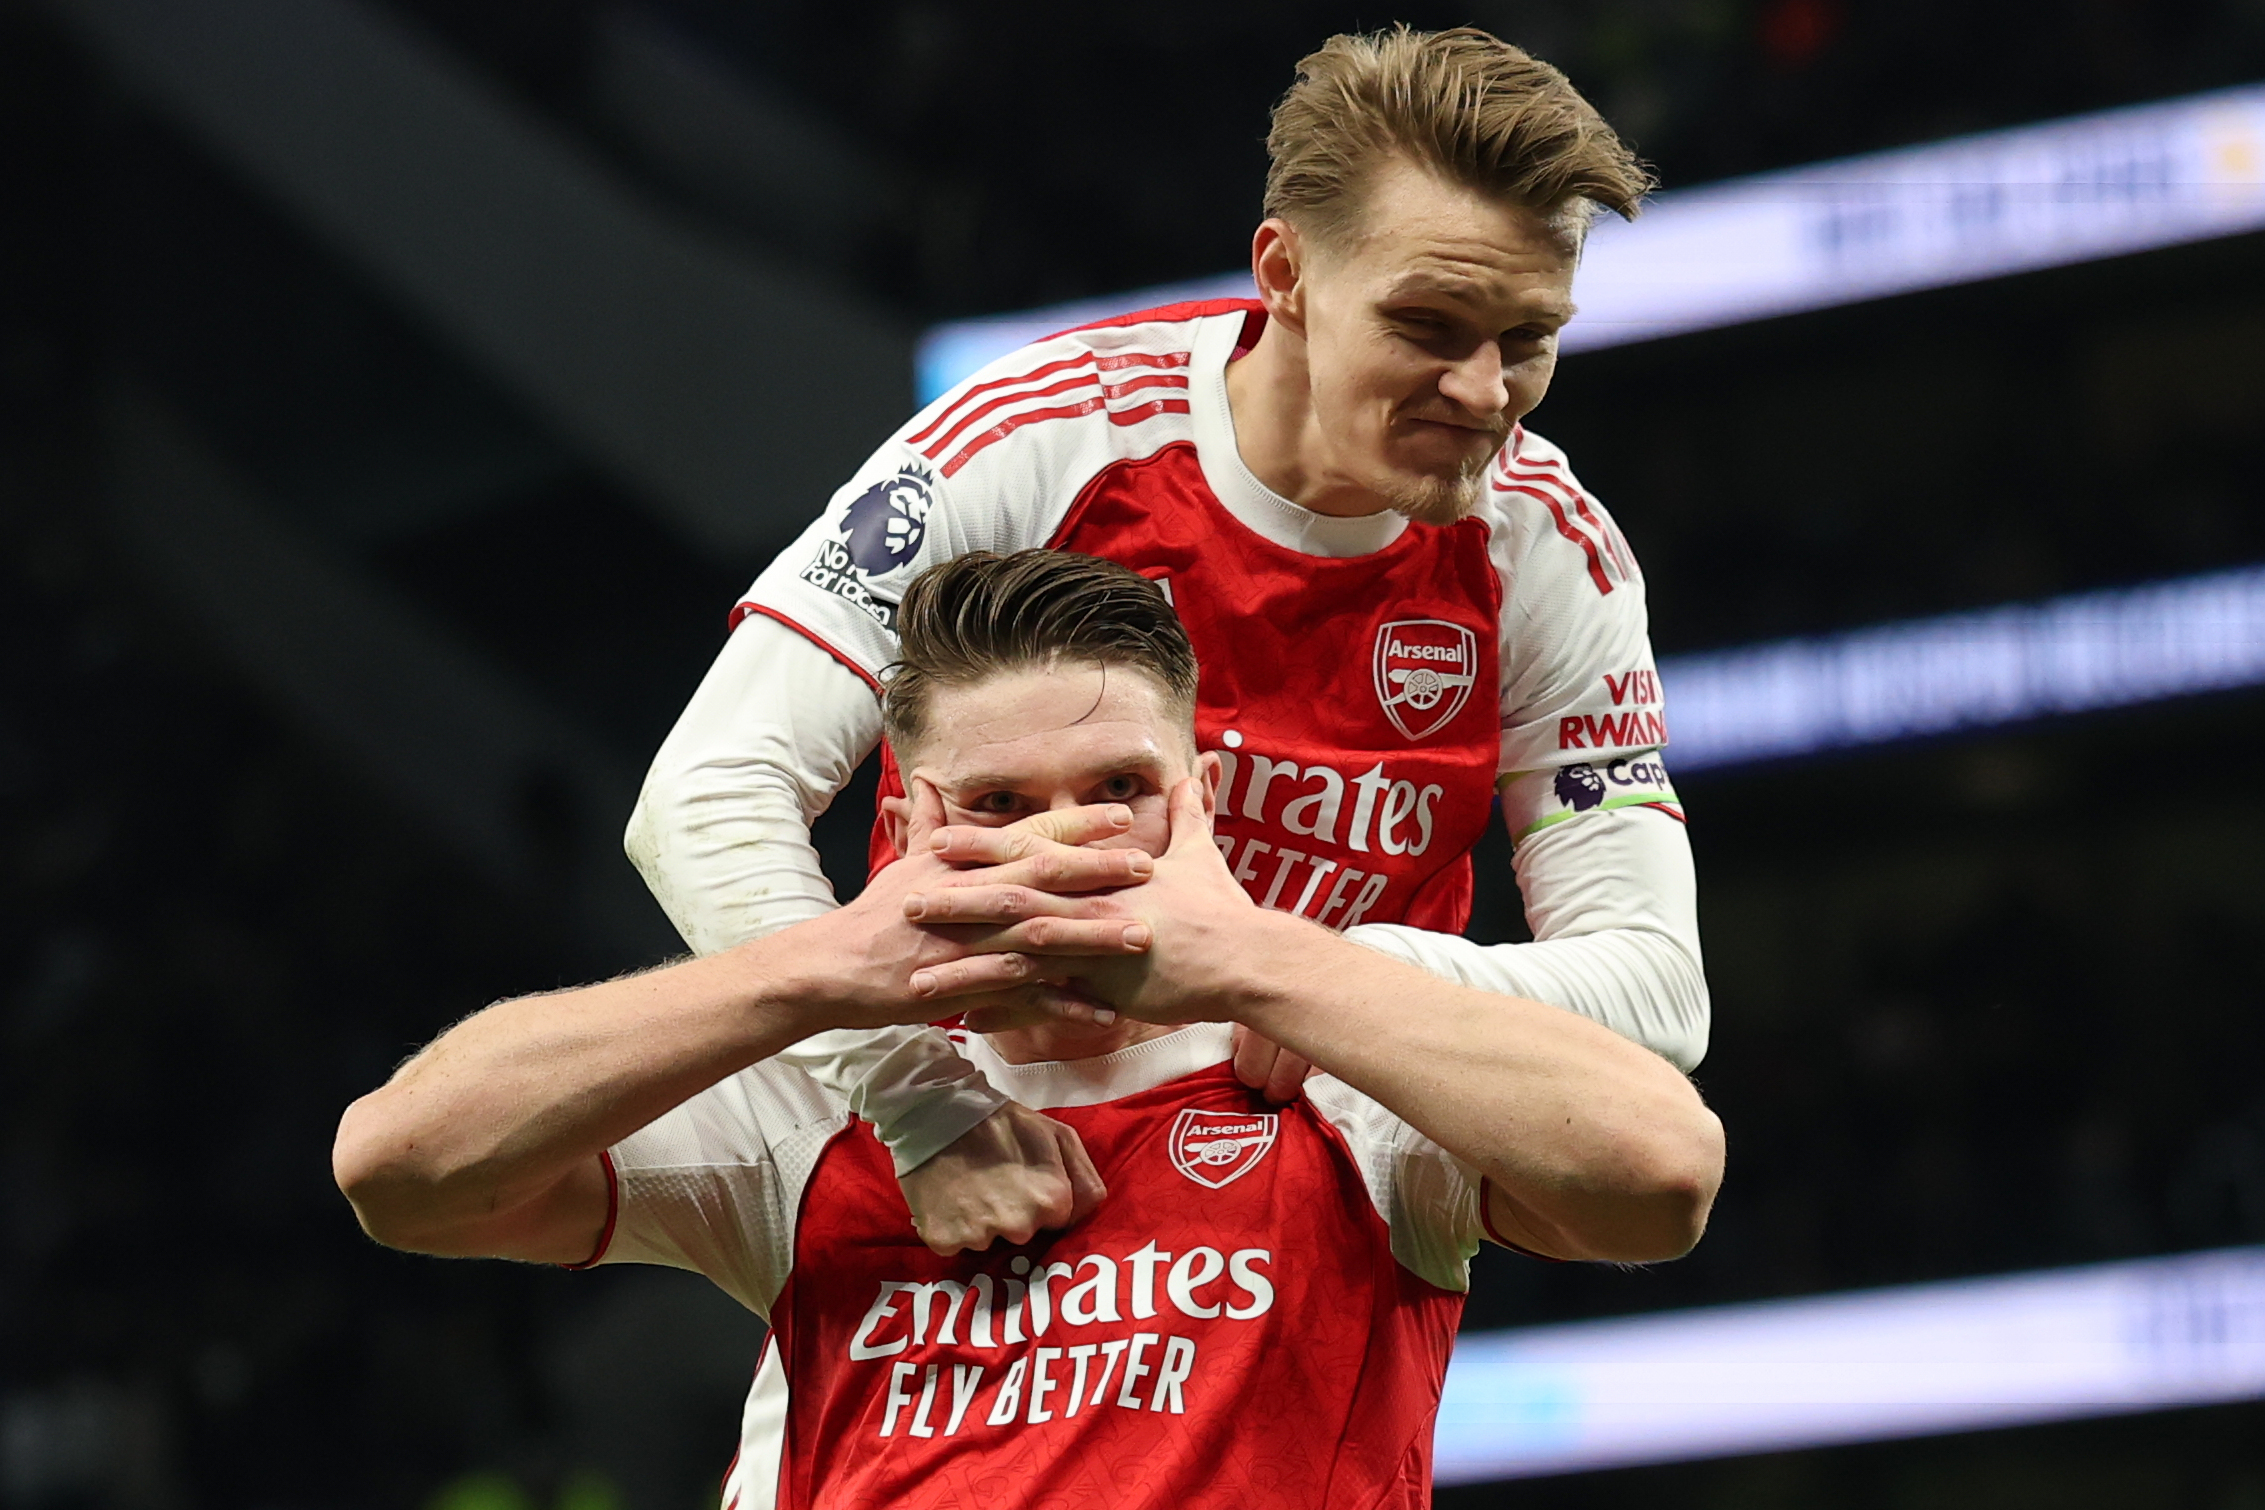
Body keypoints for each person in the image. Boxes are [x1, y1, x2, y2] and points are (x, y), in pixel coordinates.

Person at [626, 26, 1704, 1269]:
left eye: (1527, 338)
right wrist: (920, 1100)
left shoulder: (1552, 554)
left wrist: (1328, 976)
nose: (1482, 391)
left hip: (1280, 1277)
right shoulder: (1045, 438)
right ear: (1284, 272)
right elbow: (705, 794)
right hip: (960, 1215)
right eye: (1429, 324)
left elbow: (1659, 995)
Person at [334, 551, 1724, 1510]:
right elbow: (401, 1168)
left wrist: (1257, 959)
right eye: (999, 804)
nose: (1064, 836)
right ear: (911, 820)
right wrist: (817, 966)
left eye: (1117, 784)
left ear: (1200, 791)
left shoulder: (1334, 1069)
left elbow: (1661, 1173)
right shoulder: (824, 1100)